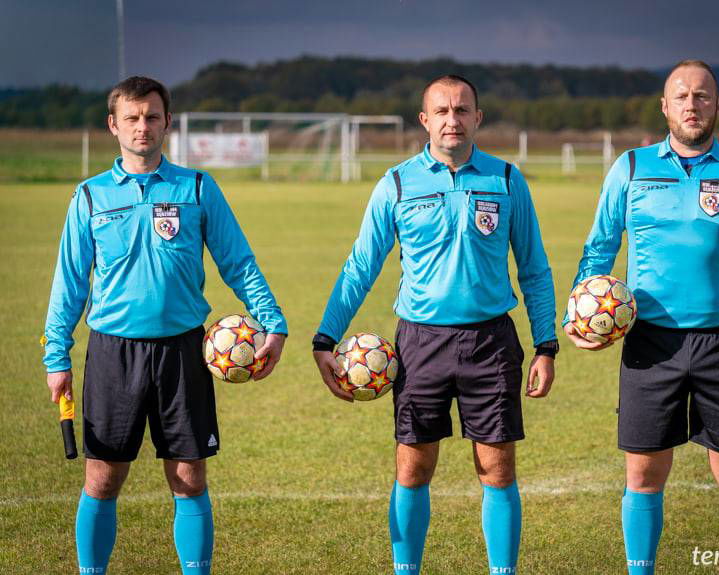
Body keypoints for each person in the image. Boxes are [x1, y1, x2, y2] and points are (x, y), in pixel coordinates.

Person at [563, 60, 719, 575]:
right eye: (681, 96)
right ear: (665, 106)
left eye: (701, 95)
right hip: (651, 346)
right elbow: (600, 247)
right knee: (643, 474)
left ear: (718, 105)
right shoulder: (631, 168)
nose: (691, 105)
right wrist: (577, 314)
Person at [312, 74, 558, 575]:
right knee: (414, 466)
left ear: (477, 118)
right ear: (425, 120)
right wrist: (325, 337)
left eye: (462, 110)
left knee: (497, 468)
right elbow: (361, 266)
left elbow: (534, 267)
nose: (453, 119)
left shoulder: (506, 179)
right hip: (420, 343)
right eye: (442, 111)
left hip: (491, 342)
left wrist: (546, 344)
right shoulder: (397, 183)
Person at [43, 76, 288, 574]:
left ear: (167, 123)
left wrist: (273, 321)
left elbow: (238, 262)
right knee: (102, 479)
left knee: (189, 476)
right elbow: (69, 282)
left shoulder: (197, 188)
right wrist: (56, 357)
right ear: (113, 125)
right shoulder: (89, 196)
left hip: (183, 352)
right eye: (132, 118)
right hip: (114, 353)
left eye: (152, 116)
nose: (143, 126)